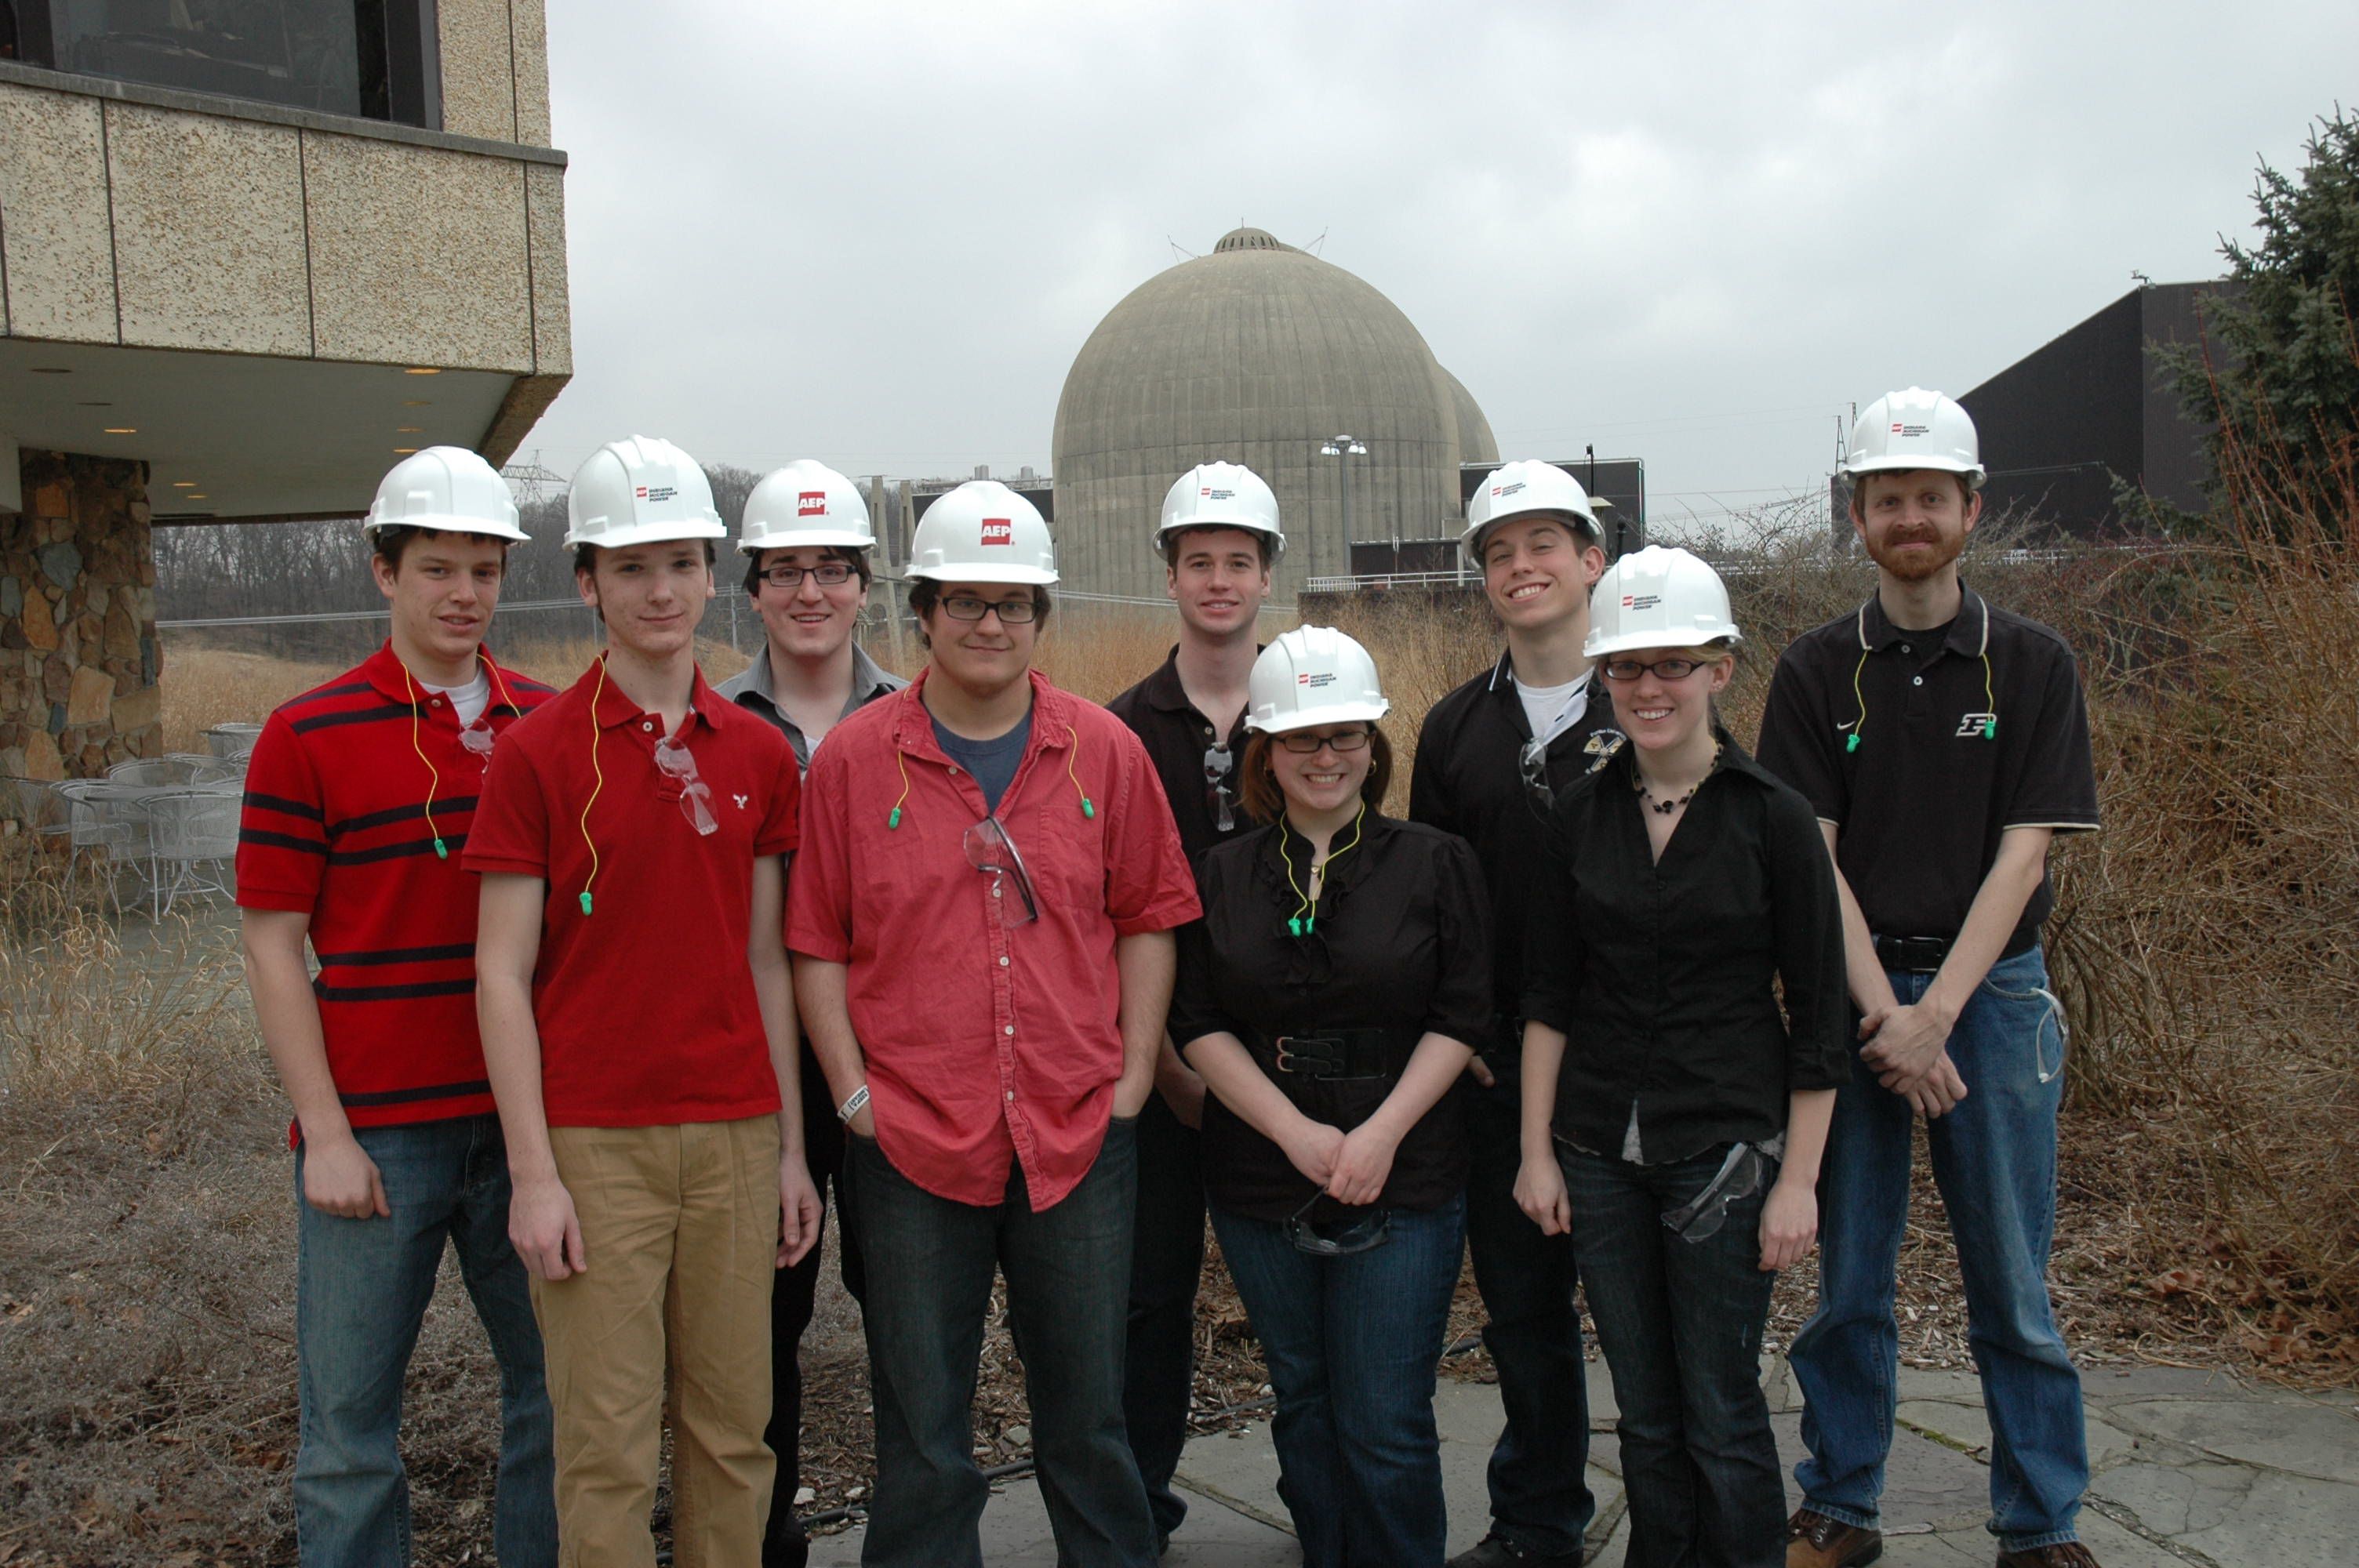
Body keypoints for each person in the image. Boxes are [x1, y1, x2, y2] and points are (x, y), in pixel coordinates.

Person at [787, 481, 1201, 1568]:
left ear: (1039, 618)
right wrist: (851, 1095)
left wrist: (1130, 1077)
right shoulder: (853, 763)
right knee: (923, 1430)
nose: (989, 624)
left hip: (1076, 1132)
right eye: (964, 601)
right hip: (913, 1141)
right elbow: (817, 943)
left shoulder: (1104, 752)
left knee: (1090, 1415)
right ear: (920, 613)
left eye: (1014, 604)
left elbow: (1148, 919)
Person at [1758, 390, 2103, 1568]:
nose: (1910, 517)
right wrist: (1883, 1016)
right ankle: (1841, 1508)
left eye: (1931, 498)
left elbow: (2027, 854)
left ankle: (2041, 1524)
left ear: (1971, 508)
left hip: (1992, 1000)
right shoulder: (1814, 673)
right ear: (1857, 514)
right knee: (1848, 1281)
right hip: (1854, 996)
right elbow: (1813, 862)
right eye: (1887, 498)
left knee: (2010, 1282)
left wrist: (1936, 1018)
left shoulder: (2033, 664)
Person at [467, 435, 820, 1568]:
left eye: (680, 562)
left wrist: (788, 1153)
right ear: (587, 584)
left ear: (711, 573)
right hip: (593, 1145)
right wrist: (532, 1173)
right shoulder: (534, 754)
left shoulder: (761, 753)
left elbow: (770, 963)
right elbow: (499, 975)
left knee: (732, 1437)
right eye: (631, 566)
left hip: (734, 1135)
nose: (660, 590)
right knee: (607, 1447)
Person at [238, 447, 558, 1568]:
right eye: (435, 568)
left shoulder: (550, 725)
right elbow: (274, 945)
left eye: (484, 569)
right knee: (347, 1430)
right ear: (384, 573)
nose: (463, 594)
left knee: (558, 1398)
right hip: (379, 1138)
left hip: (531, 1132)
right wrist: (324, 1132)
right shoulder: (307, 735)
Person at [1514, 546, 1848, 1568]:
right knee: (1646, 1412)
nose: (1650, 688)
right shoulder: (1577, 814)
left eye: (1674, 664)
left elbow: (1822, 1015)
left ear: (1721, 670)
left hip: (1728, 1152)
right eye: (1627, 667)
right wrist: (1537, 1152)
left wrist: (1799, 1182)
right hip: (1599, 1152)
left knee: (1720, 1406)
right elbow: (1549, 999)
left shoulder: (1774, 819)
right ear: (1605, 677)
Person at [1169, 626, 1492, 1568]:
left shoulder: (1433, 861)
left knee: (1384, 1410)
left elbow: (1463, 1010)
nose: (1326, 754)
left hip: (1405, 1163)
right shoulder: (1220, 873)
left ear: (1372, 744)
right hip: (1261, 1169)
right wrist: (1294, 1132)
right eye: (1303, 737)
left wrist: (1379, 1133)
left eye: (1345, 734)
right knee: (1303, 1394)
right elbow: (1195, 1020)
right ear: (1265, 749)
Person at [1410, 459, 1615, 1568]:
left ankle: (1682, 1520)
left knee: (1648, 1322)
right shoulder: (1454, 733)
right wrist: (1465, 1046)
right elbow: (1432, 908)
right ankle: (1541, 1524)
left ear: (1592, 561)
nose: (1521, 566)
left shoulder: (1654, 699)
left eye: (1544, 545)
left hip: (1634, 1067)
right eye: (1500, 551)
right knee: (1525, 1319)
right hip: (1497, 1079)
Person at [711, 458, 907, 1568]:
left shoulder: (916, 713)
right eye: (785, 570)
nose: (810, 592)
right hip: (757, 1062)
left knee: (906, 1315)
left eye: (832, 569)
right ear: (753, 589)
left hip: (893, 1058)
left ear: (864, 586)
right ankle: (763, 1536)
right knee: (761, 1327)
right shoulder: (716, 725)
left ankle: (914, 1533)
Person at [1103, 459, 1281, 1552]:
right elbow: (1113, 916)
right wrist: (1162, 1065)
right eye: (1198, 562)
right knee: (1148, 1305)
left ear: (1266, 575)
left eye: (1239, 562)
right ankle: (1135, 1511)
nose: (1219, 582)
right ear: (1169, 574)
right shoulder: (1120, 730)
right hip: (1161, 1072)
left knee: (1301, 1312)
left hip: (1288, 1072)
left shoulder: (1313, 710)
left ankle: (1331, 1495)